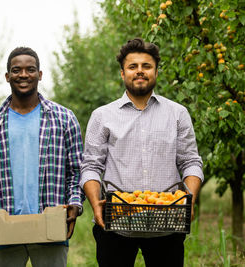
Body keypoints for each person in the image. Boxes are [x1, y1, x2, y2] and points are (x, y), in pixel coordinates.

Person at [80, 38, 204, 267]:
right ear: (122, 73)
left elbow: (190, 161)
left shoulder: (178, 113)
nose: (140, 71)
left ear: (156, 71)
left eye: (146, 66)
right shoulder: (102, 116)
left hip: (167, 223)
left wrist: (189, 200)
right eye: (132, 66)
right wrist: (96, 202)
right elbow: (91, 166)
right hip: (117, 222)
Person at [0, 47, 85, 267]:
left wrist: (75, 204)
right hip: (4, 231)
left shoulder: (64, 118)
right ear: (7, 76)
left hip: (50, 227)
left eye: (30, 69)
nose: (23, 75)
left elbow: (77, 171)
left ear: (40, 74)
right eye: (16, 70)